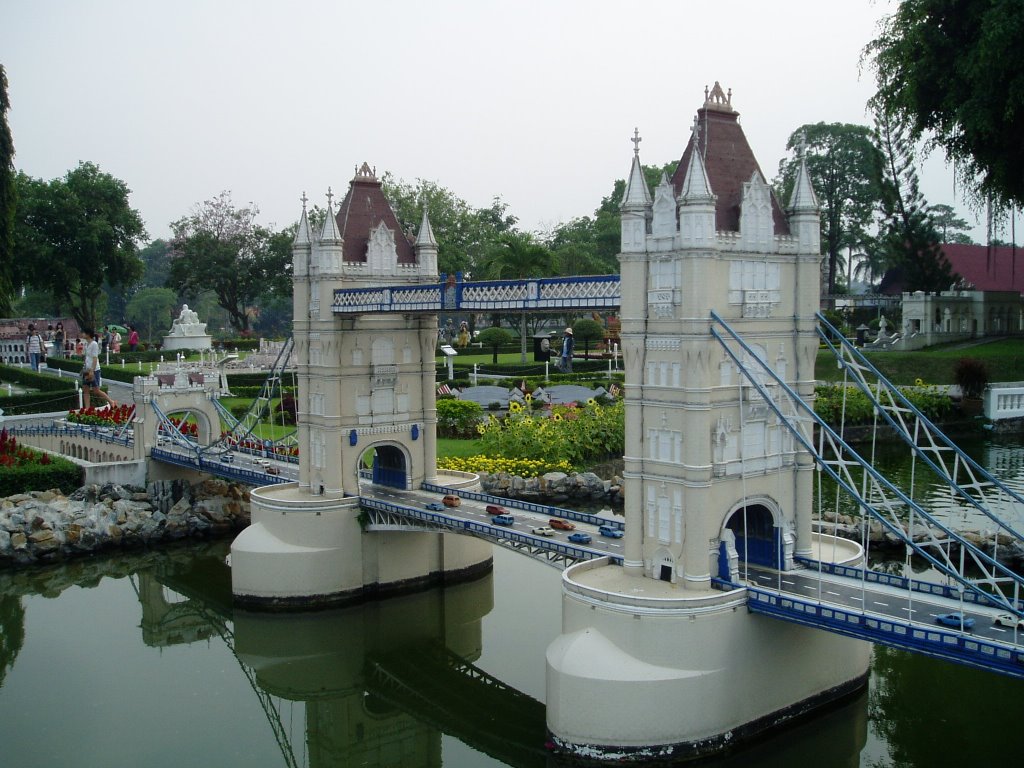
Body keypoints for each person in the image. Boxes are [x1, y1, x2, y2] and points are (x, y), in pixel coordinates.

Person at [80, 328, 116, 409]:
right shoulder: (86, 344)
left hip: (94, 370)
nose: (82, 334)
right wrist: (84, 367)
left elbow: (95, 358)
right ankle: (87, 409)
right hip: (87, 370)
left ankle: (111, 401)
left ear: (88, 334)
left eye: (84, 333)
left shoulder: (94, 344)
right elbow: (86, 357)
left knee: (96, 390)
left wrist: (92, 370)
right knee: (85, 390)